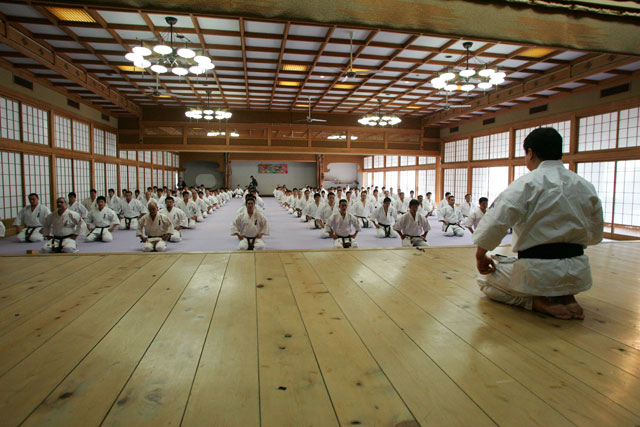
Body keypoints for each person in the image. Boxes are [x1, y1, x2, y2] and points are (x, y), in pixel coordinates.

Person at [473, 128, 603, 320]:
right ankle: (568, 297)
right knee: (558, 269)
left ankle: (536, 301)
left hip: (537, 273)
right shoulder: (584, 185)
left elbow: (496, 222)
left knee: (484, 280)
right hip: (577, 272)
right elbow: (595, 234)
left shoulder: (526, 184)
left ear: (530, 153)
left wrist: (480, 255)